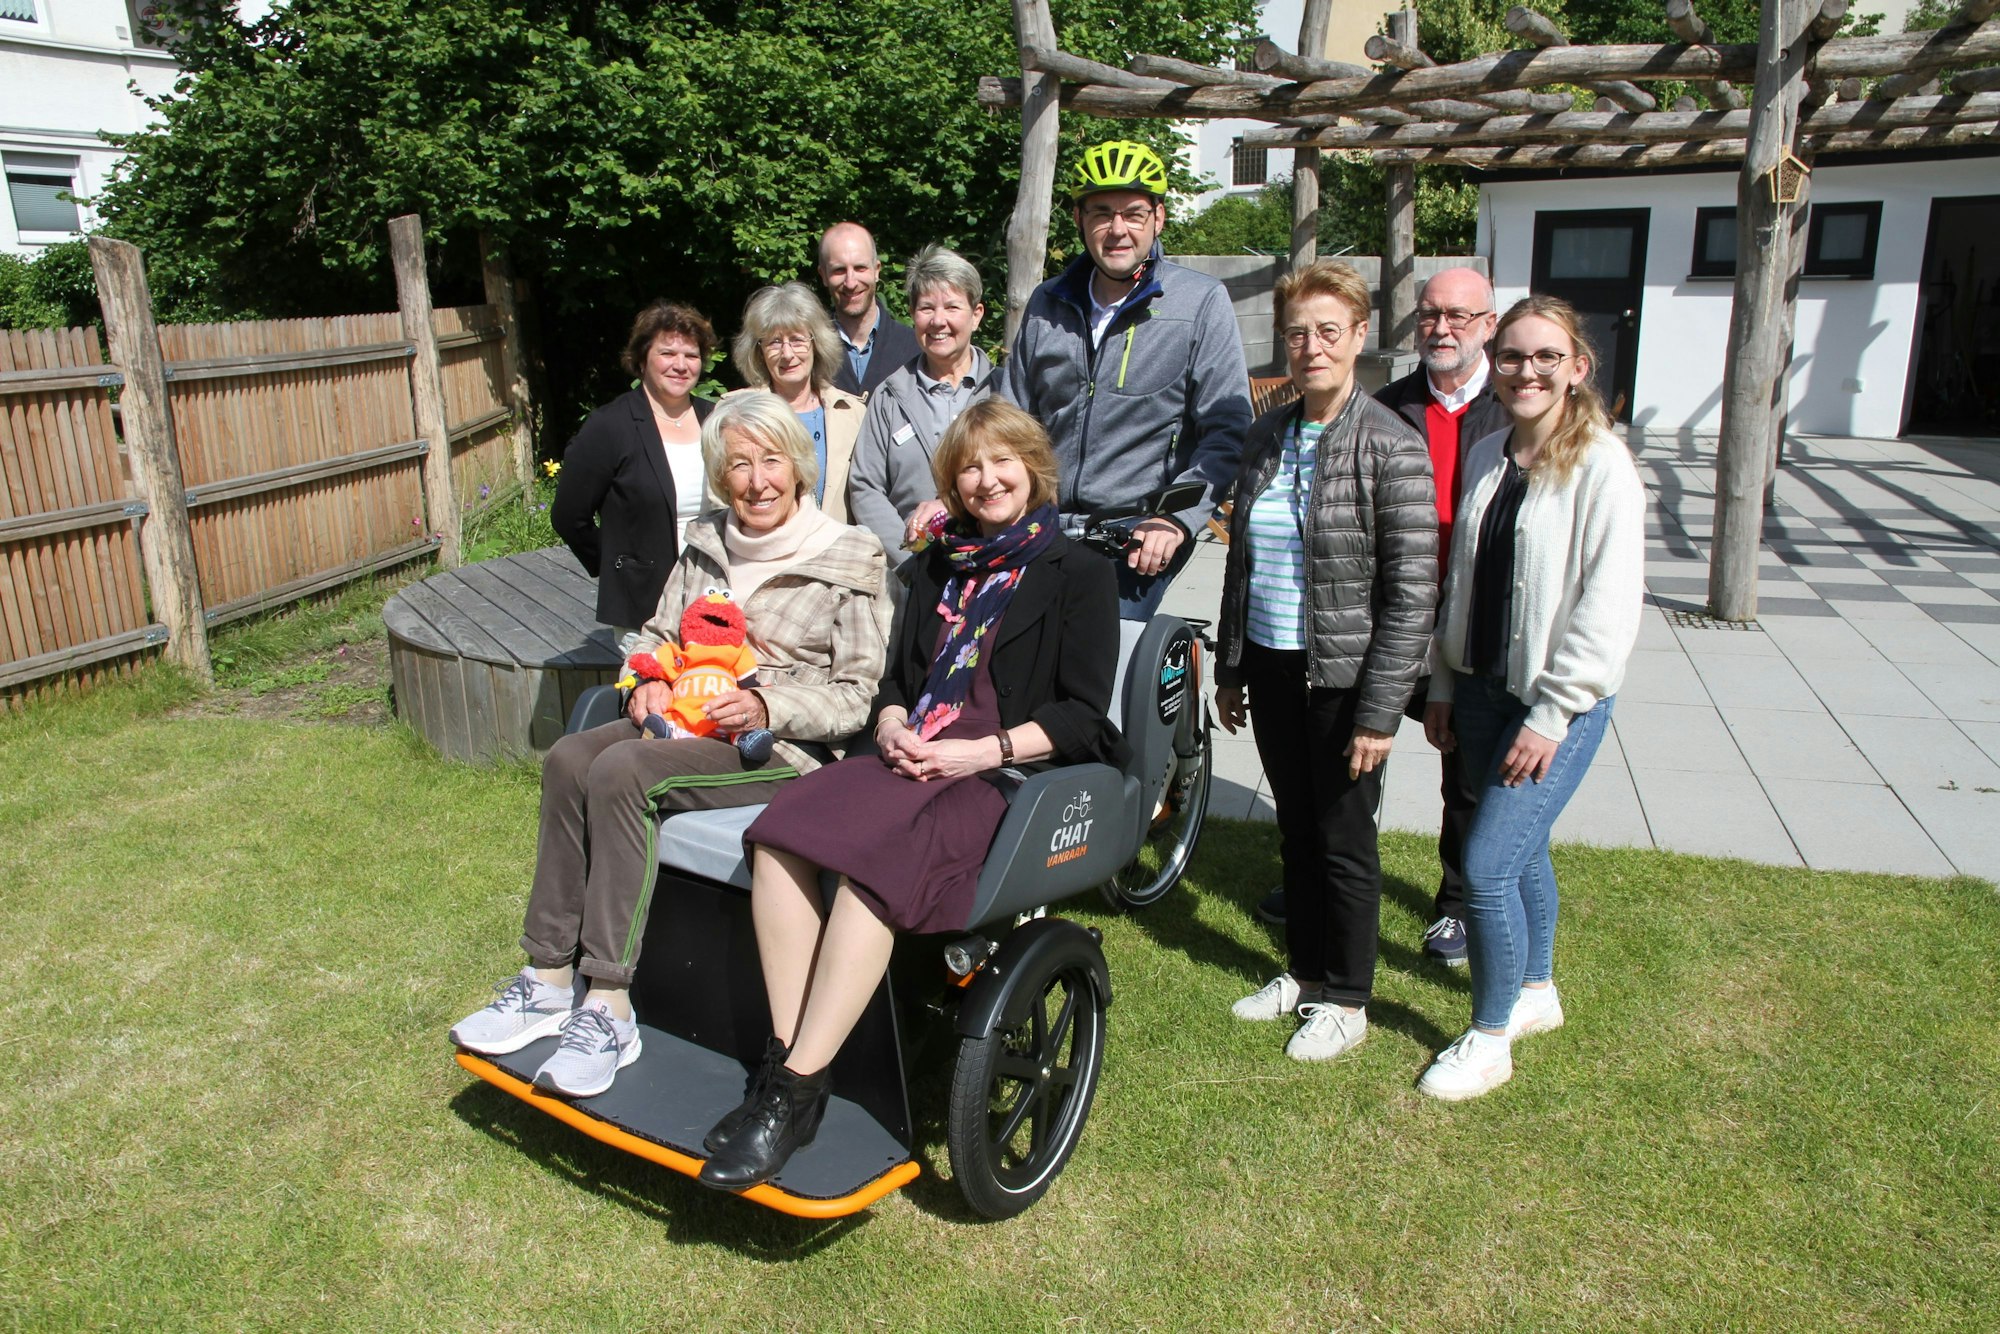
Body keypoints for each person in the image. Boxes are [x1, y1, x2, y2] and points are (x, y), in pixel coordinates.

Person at [696, 398, 1127, 1190]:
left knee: (874, 874)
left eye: (1002, 462)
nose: (986, 478)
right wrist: (894, 726)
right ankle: (796, 1073)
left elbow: (1082, 714)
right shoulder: (933, 567)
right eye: (969, 466)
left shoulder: (1079, 573)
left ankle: (789, 1094)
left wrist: (977, 753)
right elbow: (895, 682)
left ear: (1032, 467)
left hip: (1003, 770)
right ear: (952, 484)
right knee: (783, 832)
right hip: (910, 751)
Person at [449, 391, 893, 1100]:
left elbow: (858, 694)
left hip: (774, 749)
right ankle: (546, 977)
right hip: (680, 720)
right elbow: (656, 636)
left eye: (771, 460)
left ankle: (609, 1004)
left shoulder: (850, 555)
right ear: (719, 474)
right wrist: (643, 683)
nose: (757, 480)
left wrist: (767, 702)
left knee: (625, 770)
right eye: (738, 464)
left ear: (800, 466)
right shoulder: (708, 540)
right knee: (569, 757)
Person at [1416, 295, 1644, 1102]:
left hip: (1556, 705)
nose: (1527, 371)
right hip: (1478, 690)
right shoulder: (1487, 454)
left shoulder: (1603, 466)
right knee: (1521, 849)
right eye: (1513, 356)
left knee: (1483, 867)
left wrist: (1552, 716)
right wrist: (1442, 683)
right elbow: (1462, 585)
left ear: (1578, 368)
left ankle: (1489, 1036)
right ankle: (1538, 989)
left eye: (1547, 357)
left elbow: (1608, 611)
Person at [1214, 261, 1438, 1063]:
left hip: (1343, 680)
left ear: (1359, 337)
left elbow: (1413, 594)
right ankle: (1305, 974)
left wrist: (1381, 711)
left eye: (1328, 332)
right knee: (1297, 832)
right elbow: (1243, 562)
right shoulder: (1266, 433)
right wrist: (1230, 668)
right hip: (1274, 665)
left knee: (1344, 839)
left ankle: (1348, 997)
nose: (1311, 346)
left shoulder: (1390, 443)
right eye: (1298, 332)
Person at [1255, 267, 1504, 968]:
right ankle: (1316, 919)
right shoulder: (1394, 407)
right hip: (1365, 622)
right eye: (1429, 315)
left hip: (1470, 616)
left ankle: (1457, 903)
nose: (1442, 328)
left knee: (1468, 775)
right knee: (1337, 804)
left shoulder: (1509, 409)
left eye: (1459, 315)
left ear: (1489, 323)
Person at [1000, 139, 1252, 619]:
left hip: (1135, 535)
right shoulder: (1047, 302)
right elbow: (1011, 419)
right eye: (1101, 213)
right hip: (1041, 526)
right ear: (1079, 220)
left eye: (1133, 213)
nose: (1117, 229)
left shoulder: (1199, 303)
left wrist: (1176, 519)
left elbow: (1227, 431)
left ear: (1158, 218)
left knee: (1100, 673)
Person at [550, 301, 718, 642]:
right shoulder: (610, 427)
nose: (681, 365)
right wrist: (618, 565)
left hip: (715, 595)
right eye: (668, 353)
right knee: (652, 693)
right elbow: (569, 516)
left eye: (692, 355)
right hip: (645, 606)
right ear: (642, 359)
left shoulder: (717, 419)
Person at [846, 244, 994, 566]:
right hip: (915, 572)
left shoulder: (1004, 391)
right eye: (926, 308)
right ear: (913, 314)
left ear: (976, 314)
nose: (938, 321)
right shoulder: (889, 396)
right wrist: (911, 559)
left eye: (952, 307)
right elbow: (865, 486)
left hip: (996, 564)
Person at [732, 282, 866, 524]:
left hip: (836, 554)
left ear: (816, 342)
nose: (787, 354)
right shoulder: (735, 414)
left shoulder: (853, 413)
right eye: (773, 342)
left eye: (797, 340)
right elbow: (721, 495)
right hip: (763, 554)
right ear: (758, 350)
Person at [819, 222, 921, 399]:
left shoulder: (916, 348)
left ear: (876, 270)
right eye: (839, 270)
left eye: (860, 268)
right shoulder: (811, 351)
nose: (851, 282)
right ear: (824, 276)